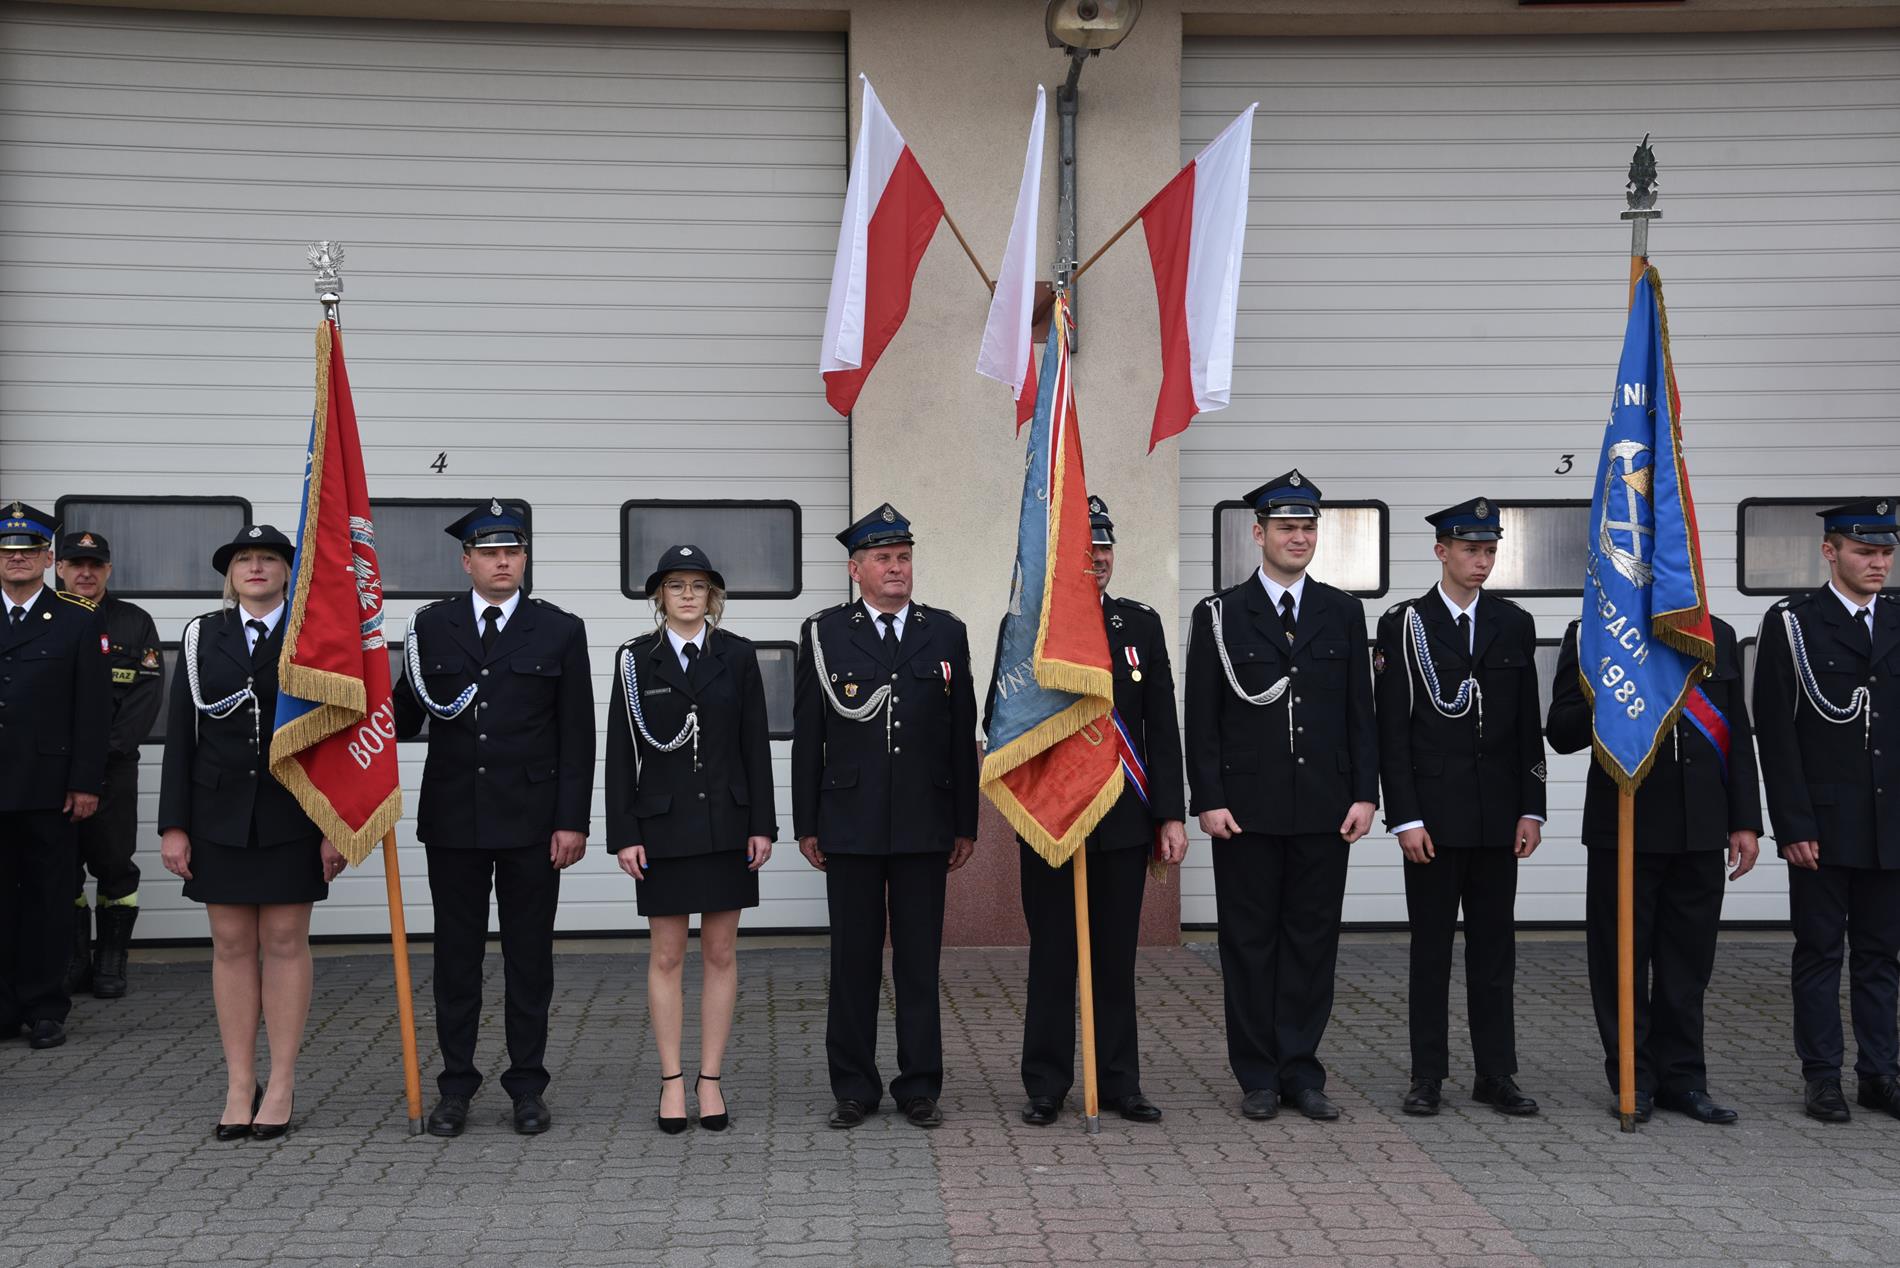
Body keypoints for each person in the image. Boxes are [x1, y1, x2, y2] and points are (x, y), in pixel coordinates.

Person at [983, 495, 1186, 1126]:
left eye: (1104, 547)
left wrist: (1170, 815)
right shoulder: (1027, 629)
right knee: (1052, 956)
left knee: (1115, 958)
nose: (1096, 557)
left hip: (1123, 818)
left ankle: (1119, 1082)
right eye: (1084, 548)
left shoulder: (1140, 625)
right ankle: (1046, 1083)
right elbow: (1000, 723)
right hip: (1052, 817)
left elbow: (1162, 726)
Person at [394, 501, 594, 1138]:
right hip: (454, 819)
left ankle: (527, 1086)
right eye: (489, 553)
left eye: (512, 551)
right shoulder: (430, 627)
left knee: (528, 959)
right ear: (467, 562)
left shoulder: (559, 629)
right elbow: (401, 718)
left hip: (532, 822)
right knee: (455, 959)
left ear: (525, 559)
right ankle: (456, 1085)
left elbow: (577, 735)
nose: (502, 562)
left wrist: (572, 821)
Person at [1184, 471, 1378, 1122]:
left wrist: (1365, 794)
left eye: (1308, 528)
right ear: (1258, 533)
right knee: (1248, 944)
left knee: (1312, 943)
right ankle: (1258, 1075)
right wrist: (1208, 798)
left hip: (1325, 807)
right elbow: (1201, 717)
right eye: (1287, 527)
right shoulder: (1219, 615)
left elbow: (1360, 712)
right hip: (1246, 810)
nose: (1299, 538)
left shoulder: (1342, 611)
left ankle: (1301, 1070)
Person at [792, 503, 978, 1129]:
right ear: (856, 570)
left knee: (919, 962)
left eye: (903, 557)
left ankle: (919, 1085)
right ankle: (854, 1087)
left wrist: (966, 821)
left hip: (926, 819)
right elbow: (809, 733)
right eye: (882, 558)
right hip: (850, 820)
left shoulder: (945, 632)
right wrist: (806, 822)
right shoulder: (824, 633)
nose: (896, 568)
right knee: (853, 962)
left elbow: (960, 734)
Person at [157, 525, 346, 1138]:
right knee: (232, 943)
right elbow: (182, 736)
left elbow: (337, 736)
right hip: (218, 814)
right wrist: (173, 825)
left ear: (289, 571)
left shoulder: (314, 634)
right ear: (230, 574)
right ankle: (241, 1082)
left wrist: (336, 824)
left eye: (268, 558)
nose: (256, 567)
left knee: (286, 941)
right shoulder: (201, 635)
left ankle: (282, 1081)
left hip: (295, 812)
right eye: (244, 559)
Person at [1549, 608, 1760, 1124]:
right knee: (1620, 961)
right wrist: (1611, 689)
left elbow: (1735, 731)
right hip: (1626, 825)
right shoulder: (1594, 631)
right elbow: (1561, 731)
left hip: (1700, 824)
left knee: (1687, 966)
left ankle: (1684, 1080)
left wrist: (1744, 821)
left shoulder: (1716, 633)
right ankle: (1634, 1078)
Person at [1373, 498, 1545, 1117]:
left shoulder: (1512, 622)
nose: (1482, 561)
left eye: (1490, 551)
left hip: (1498, 816)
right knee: (1431, 951)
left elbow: (1527, 724)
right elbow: (1392, 729)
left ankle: (1496, 1073)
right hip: (1434, 818)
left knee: (1495, 953)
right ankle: (1428, 1075)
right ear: (1441, 552)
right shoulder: (1404, 623)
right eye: (1471, 550)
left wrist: (1532, 808)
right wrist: (1406, 817)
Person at [607, 545, 776, 1134]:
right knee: (667, 955)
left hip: (728, 826)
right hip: (663, 830)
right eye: (676, 585)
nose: (686, 595)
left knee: (721, 953)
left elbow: (755, 745)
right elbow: (619, 753)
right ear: (660, 595)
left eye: (697, 586)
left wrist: (762, 824)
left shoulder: (738, 655)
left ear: (712, 596)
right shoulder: (635, 660)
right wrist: (624, 833)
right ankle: (672, 1081)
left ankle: (711, 1079)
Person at [1753, 498, 1899, 1123]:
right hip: (1823, 823)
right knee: (1819, 953)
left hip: (1890, 824)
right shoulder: (1793, 623)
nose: (1879, 563)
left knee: (1881, 956)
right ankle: (1822, 1078)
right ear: (1830, 552)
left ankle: (1881, 1074)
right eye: (1865, 551)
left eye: (1886, 552)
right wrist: (1792, 824)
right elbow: (1776, 733)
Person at [0, 502, 110, 1051]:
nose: (17, 558)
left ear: (48, 558)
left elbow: (92, 710)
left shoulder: (77, 618)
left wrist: (86, 782)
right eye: (7, 550)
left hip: (49, 786)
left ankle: (45, 1007)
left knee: (48, 899)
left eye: (29, 550)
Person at [55, 530, 164, 1000]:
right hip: (55, 771)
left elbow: (146, 697)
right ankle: (74, 958)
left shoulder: (134, 623)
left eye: (95, 565)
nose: (86, 573)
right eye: (76, 564)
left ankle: (111, 960)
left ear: (108, 570)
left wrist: (99, 755)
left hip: (113, 768)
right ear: (59, 567)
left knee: (114, 863)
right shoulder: (46, 619)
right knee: (61, 865)